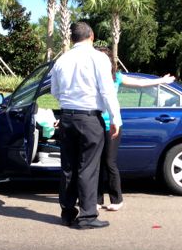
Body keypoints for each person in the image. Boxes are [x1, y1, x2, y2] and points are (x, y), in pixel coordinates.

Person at [50, 22, 122, 229]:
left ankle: (67, 213)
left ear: (72, 39)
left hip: (67, 117)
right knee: (88, 168)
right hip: (90, 118)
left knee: (68, 168)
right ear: (91, 36)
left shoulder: (61, 60)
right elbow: (107, 91)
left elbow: (55, 91)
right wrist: (115, 118)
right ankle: (87, 216)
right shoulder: (98, 58)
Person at [95, 46, 175, 212]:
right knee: (97, 163)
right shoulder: (91, 77)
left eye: (104, 58)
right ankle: (97, 199)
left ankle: (117, 199)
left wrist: (161, 80)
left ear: (110, 62)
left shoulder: (116, 77)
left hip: (113, 125)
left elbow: (140, 83)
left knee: (109, 162)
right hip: (95, 124)